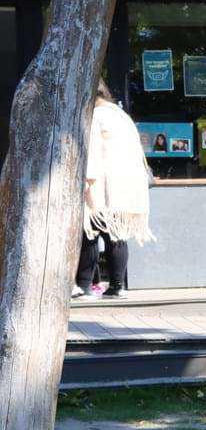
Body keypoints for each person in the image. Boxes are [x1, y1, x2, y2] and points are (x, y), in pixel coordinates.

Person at [75, 81, 154, 299]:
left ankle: (84, 287)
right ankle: (118, 286)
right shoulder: (121, 115)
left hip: (103, 183)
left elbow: (91, 152)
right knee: (116, 234)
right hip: (127, 184)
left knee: (89, 232)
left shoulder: (95, 116)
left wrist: (86, 182)